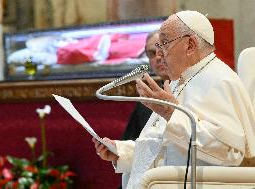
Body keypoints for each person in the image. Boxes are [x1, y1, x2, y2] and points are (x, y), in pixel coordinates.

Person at [93, 10, 255, 189]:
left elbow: (228, 152)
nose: (159, 54)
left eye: (164, 43)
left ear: (191, 45)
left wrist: (169, 113)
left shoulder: (219, 80)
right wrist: (122, 152)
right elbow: (165, 146)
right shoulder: (181, 81)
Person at [121, 30, 169, 141]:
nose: (157, 57)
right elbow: (133, 140)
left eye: (162, 51)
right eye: (152, 53)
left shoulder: (193, 89)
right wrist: (117, 149)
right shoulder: (148, 98)